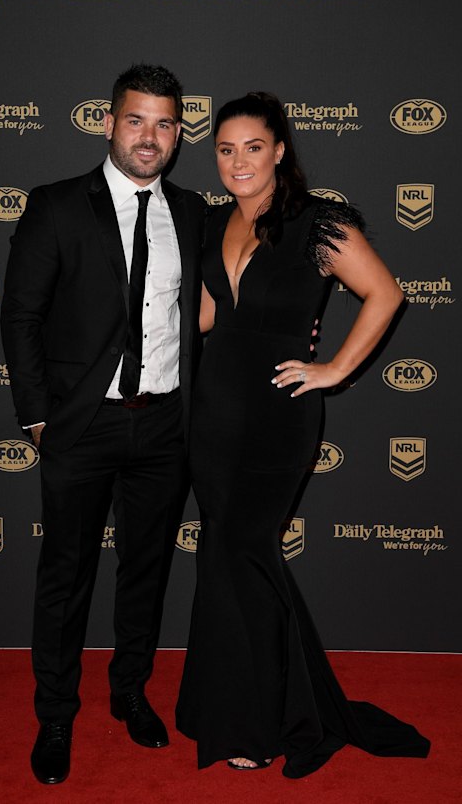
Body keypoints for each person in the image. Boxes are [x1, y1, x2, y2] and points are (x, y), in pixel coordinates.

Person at [175, 92, 431, 777]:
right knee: (224, 556)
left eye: (253, 147)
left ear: (280, 150)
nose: (239, 162)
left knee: (244, 551)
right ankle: (232, 707)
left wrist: (336, 370)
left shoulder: (318, 223)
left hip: (279, 412)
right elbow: (202, 319)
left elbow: (385, 293)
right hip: (213, 408)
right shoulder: (210, 223)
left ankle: (264, 721)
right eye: (225, 150)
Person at [1, 64, 206, 784]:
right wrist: (37, 421)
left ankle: (129, 694)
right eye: (136, 120)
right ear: (109, 122)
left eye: (165, 124)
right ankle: (56, 714)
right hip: (79, 428)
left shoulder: (193, 211)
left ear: (179, 134)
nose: (150, 137)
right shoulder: (57, 206)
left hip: (164, 428)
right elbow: (21, 317)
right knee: (67, 576)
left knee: (145, 574)